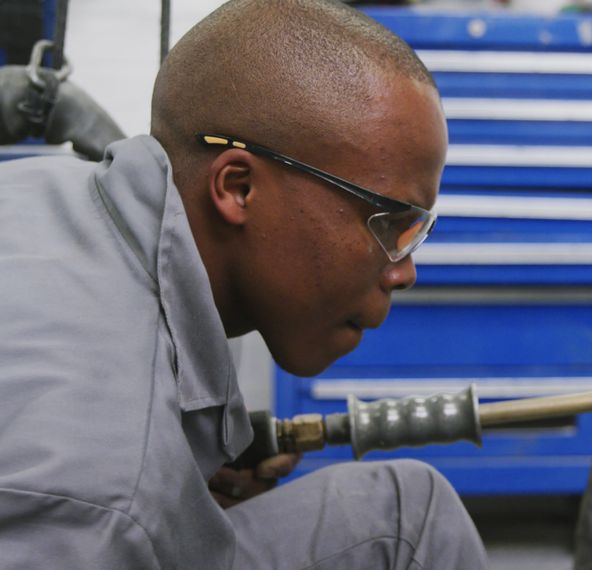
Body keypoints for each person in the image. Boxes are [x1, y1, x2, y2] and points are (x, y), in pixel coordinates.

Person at [0, 0, 487, 568]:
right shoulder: (105, 501)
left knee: (406, 511)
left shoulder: (43, 186)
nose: (404, 272)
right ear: (236, 188)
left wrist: (185, 497)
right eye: (388, 221)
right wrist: (153, 513)